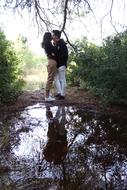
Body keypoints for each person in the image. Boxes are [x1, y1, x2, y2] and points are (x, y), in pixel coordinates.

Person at [41, 32, 58, 102]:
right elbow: (53, 53)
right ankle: (47, 97)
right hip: (52, 62)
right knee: (50, 79)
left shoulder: (47, 44)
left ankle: (47, 95)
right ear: (48, 37)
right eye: (51, 35)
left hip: (50, 61)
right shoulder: (48, 44)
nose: (52, 36)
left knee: (50, 78)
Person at [52, 30, 68, 100]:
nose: (52, 36)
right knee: (55, 79)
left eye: (53, 35)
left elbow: (65, 55)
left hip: (62, 64)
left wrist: (57, 57)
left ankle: (63, 95)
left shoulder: (62, 43)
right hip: (57, 65)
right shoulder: (56, 44)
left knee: (62, 79)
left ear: (56, 36)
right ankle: (59, 92)